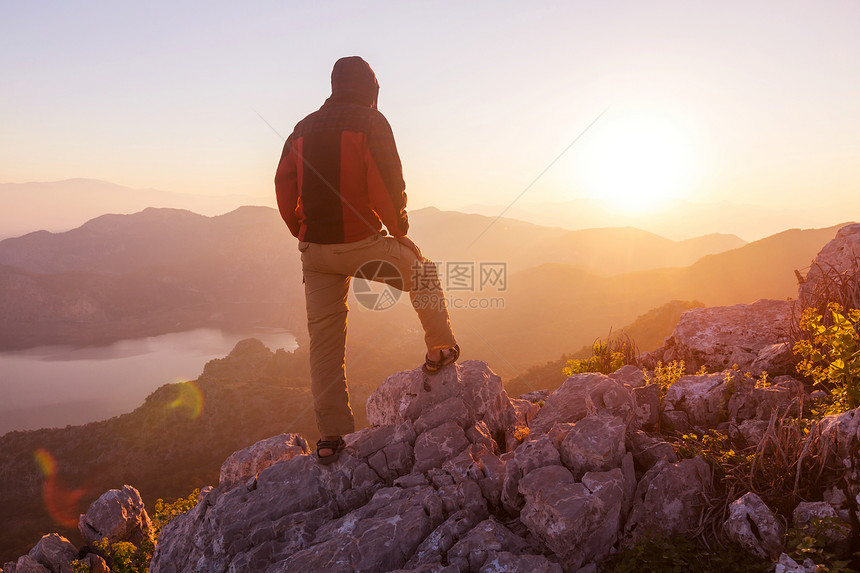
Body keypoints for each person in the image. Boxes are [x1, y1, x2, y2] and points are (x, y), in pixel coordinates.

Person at [275, 56, 459, 465]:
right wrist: (400, 231)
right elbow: (388, 182)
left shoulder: (300, 129)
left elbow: (284, 186)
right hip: (361, 244)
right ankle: (440, 350)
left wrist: (301, 232)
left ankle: (331, 435)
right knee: (423, 272)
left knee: (324, 343)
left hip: (315, 253)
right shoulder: (371, 123)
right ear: (370, 88)